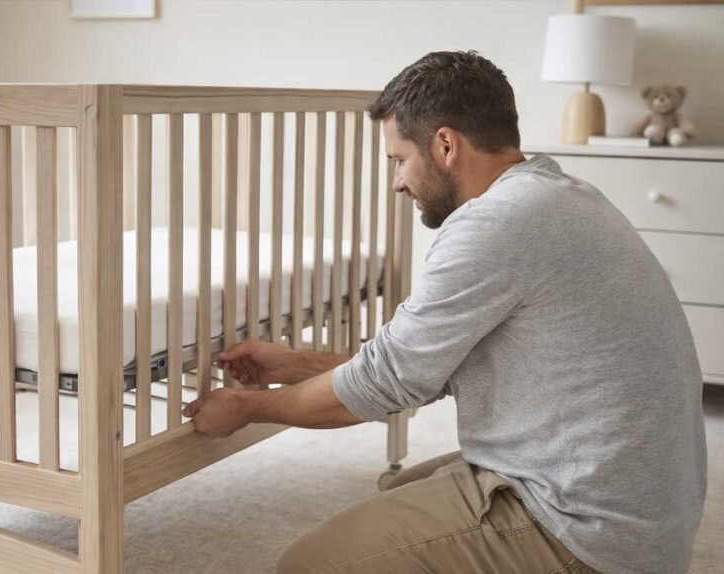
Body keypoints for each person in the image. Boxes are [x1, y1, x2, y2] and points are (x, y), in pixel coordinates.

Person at [181, 51, 706, 574]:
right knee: (398, 490)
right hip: (641, 519)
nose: (397, 183)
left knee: (307, 565)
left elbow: (384, 383)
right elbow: (429, 368)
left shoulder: (494, 225)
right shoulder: (558, 195)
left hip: (591, 533)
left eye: (399, 160)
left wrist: (248, 409)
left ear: (446, 144)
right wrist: (291, 364)